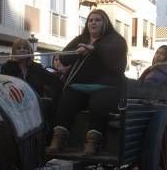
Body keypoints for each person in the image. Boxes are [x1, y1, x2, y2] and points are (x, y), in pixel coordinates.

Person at [46, 9, 128, 156]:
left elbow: (117, 61)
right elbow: (64, 57)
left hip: (105, 87)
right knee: (67, 100)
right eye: (90, 20)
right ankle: (58, 140)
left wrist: (94, 49)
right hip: (79, 86)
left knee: (98, 103)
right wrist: (77, 51)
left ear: (105, 23)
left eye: (97, 20)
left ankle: (93, 143)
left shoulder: (116, 40)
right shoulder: (81, 38)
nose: (93, 22)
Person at [0, 38, 62, 125]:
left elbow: (55, 81)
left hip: (36, 107)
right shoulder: (6, 67)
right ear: (14, 51)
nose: (22, 50)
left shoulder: (37, 68)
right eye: (19, 48)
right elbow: (1, 85)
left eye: (25, 48)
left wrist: (51, 98)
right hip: (14, 107)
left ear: (29, 51)